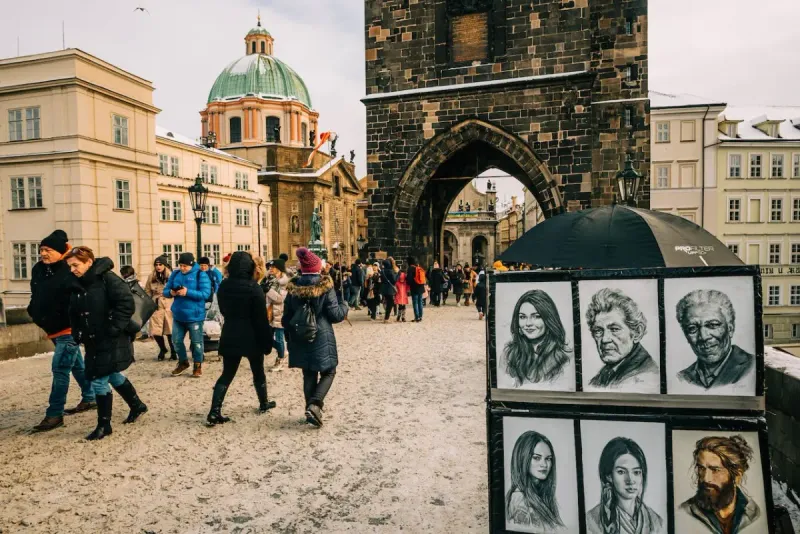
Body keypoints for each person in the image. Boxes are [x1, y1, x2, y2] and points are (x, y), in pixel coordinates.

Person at [64, 247, 147, 440]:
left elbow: (126, 304)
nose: (72, 269)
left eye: (75, 265)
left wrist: (113, 328)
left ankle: (104, 425)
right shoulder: (77, 282)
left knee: (98, 377)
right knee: (110, 373)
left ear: (89, 262)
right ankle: (137, 405)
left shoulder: (108, 279)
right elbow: (73, 311)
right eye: (70, 266)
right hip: (92, 338)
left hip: (110, 337)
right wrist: (77, 332)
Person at [28, 230, 96, 432]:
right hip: (51, 328)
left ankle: (54, 413)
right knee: (77, 366)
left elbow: (84, 294)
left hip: (69, 328)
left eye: (48, 250)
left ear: (60, 251)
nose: (43, 254)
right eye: (41, 250)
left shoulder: (70, 268)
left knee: (60, 369)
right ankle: (91, 396)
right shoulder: (38, 269)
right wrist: (34, 312)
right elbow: (36, 294)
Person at [207, 251, 276, 426]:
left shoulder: (224, 286)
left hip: (231, 332)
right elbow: (261, 319)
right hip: (252, 335)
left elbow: (222, 310)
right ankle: (263, 402)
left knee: (227, 374)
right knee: (257, 371)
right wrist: (267, 341)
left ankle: (214, 411)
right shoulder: (254, 288)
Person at [282, 247, 348, 427]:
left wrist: (290, 335)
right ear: (318, 268)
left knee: (308, 373)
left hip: (300, 335)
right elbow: (335, 315)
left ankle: (309, 410)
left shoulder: (293, 288)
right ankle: (315, 404)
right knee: (329, 370)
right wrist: (344, 305)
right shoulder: (325, 286)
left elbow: (285, 318)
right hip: (321, 334)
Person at [679, 435, 760, 534]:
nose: (706, 478)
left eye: (715, 470)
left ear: (737, 475)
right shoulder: (684, 512)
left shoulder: (754, 513)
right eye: (701, 468)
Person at [675, 290, 755, 389]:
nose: (703, 337)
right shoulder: (682, 378)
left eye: (712, 325)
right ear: (686, 335)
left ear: (730, 328)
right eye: (692, 328)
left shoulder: (752, 367)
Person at [586, 437, 664, 534]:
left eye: (636, 472)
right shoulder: (591, 521)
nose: (630, 480)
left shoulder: (656, 521)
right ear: (609, 476)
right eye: (621, 472)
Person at [586, 288, 658, 388]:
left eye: (615, 329)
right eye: (598, 331)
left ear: (637, 333)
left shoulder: (645, 376)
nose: (604, 339)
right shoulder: (603, 376)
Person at [502, 289, 571, 386]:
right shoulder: (509, 353)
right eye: (522, 317)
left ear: (549, 320)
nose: (528, 323)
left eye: (536, 316)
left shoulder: (563, 358)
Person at [163, 252, 212, 377]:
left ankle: (197, 365)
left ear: (191, 264)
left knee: (196, 343)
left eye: (185, 266)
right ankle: (183, 362)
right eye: (180, 265)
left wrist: (188, 292)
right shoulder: (175, 274)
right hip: (178, 315)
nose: (182, 268)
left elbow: (205, 294)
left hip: (195, 316)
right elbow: (165, 291)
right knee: (176, 341)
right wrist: (171, 292)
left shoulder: (201, 274)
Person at [505, 430, 565, 531]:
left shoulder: (539, 496)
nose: (544, 465)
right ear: (523, 459)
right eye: (537, 458)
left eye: (548, 459)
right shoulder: (520, 499)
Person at [145, 256, 176, 361]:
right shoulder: (151, 276)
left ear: (164, 265)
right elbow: (147, 291)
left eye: (160, 264)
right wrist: (148, 302)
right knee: (155, 330)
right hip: (156, 304)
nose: (158, 267)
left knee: (170, 330)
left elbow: (176, 289)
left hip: (168, 304)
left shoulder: (171, 275)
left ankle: (173, 351)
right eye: (156, 265)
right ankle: (162, 349)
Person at [264, 258, 289, 371]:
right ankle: (283, 352)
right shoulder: (271, 279)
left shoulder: (285, 282)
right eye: (270, 267)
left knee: (279, 338)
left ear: (279, 269)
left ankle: (281, 359)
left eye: (273, 267)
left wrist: (267, 290)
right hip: (270, 312)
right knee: (267, 338)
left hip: (280, 313)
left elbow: (280, 299)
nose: (271, 269)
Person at [406, 257, 425, 322]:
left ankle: (416, 317)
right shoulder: (418, 267)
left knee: (415, 302)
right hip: (421, 286)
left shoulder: (410, 268)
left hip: (414, 287)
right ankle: (420, 316)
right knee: (420, 302)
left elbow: (409, 280)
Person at [380, 258, 398, 324]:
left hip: (384, 289)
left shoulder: (382, 271)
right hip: (389, 289)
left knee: (387, 303)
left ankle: (386, 317)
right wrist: (397, 275)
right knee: (390, 303)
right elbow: (394, 281)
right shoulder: (390, 271)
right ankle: (386, 318)